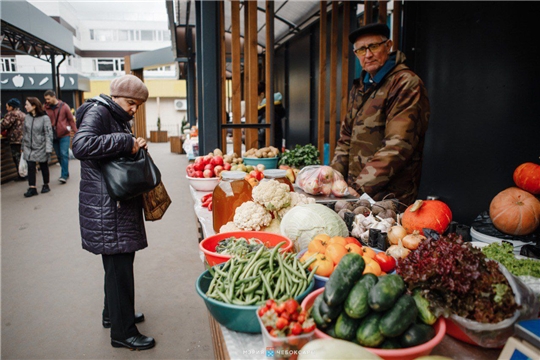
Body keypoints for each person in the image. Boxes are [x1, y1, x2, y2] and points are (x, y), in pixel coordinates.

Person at [72, 74, 155, 351]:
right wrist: (124, 141)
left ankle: (114, 315)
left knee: (116, 266)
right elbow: (80, 146)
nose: (134, 109)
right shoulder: (99, 111)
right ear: (116, 96)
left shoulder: (113, 115)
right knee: (119, 267)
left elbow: (108, 148)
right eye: (132, 103)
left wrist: (132, 144)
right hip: (108, 207)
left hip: (110, 204)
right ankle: (123, 333)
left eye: (138, 106)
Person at [330, 23, 430, 206]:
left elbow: (398, 145)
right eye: (361, 50)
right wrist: (331, 178)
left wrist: (359, 187)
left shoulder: (405, 84)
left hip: (390, 197)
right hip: (356, 192)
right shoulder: (361, 86)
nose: (367, 55)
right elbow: (345, 139)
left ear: (388, 45)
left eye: (373, 47)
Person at [43, 89, 77, 184]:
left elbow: (71, 120)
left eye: (48, 99)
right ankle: (65, 171)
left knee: (64, 154)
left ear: (54, 97)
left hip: (64, 134)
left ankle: (64, 175)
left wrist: (76, 132)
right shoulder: (45, 108)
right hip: (52, 136)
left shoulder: (64, 106)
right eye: (46, 99)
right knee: (58, 155)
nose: (47, 101)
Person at [21, 97, 53, 197]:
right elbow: (25, 132)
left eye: (27, 105)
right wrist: (23, 145)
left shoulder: (44, 118)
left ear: (34, 106)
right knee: (30, 166)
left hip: (41, 146)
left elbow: (48, 133)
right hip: (28, 146)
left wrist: (48, 148)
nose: (25, 107)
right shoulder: (27, 117)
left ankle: (46, 184)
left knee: (43, 166)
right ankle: (32, 187)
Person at [2, 98, 26, 180]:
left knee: (17, 157)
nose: (6, 108)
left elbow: (4, 125)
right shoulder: (22, 114)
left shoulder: (11, 114)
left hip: (15, 139)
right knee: (23, 157)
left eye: (7, 106)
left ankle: (21, 175)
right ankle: (25, 173)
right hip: (24, 139)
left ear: (11, 107)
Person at [257, 82, 285, 149]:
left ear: (262, 94)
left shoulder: (267, 111)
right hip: (274, 149)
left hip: (267, 150)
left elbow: (261, 134)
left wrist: (245, 134)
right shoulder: (274, 109)